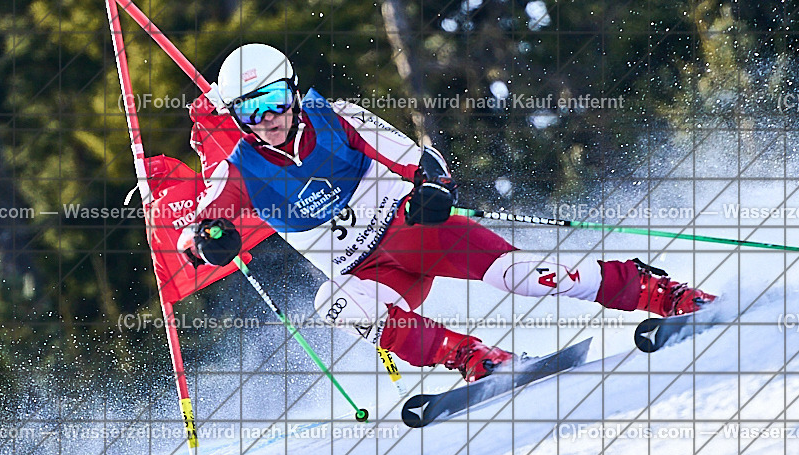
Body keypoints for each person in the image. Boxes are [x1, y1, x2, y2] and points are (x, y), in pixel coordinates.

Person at [178, 44, 715, 382]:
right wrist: (209, 242)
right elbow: (195, 231)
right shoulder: (240, 169)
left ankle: (654, 292)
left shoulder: (336, 118)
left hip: (416, 232)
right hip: (373, 274)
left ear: (291, 89)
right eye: (250, 109)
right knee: (332, 304)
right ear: (238, 116)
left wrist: (433, 187)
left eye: (272, 99)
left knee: (525, 277)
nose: (267, 117)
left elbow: (419, 159)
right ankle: (471, 357)